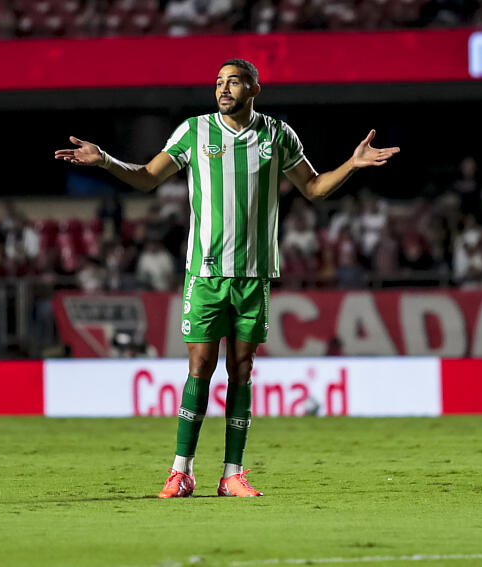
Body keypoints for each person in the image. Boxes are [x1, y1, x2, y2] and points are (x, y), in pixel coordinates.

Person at [54, 58, 399, 498]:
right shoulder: (194, 131)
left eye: (233, 81)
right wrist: (104, 159)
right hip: (207, 272)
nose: (223, 88)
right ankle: (182, 471)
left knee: (242, 369)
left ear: (254, 89)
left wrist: (351, 164)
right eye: (219, 82)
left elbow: (312, 188)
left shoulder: (277, 134)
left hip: (254, 274)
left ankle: (232, 473)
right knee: (200, 365)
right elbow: (145, 179)